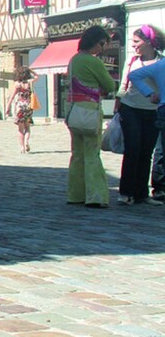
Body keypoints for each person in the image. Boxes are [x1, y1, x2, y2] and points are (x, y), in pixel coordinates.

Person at [65, 26, 117, 208]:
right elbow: (110, 85)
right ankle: (95, 196)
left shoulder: (74, 60)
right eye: (102, 44)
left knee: (77, 155)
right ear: (95, 42)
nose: (102, 48)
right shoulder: (93, 62)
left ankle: (75, 194)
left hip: (73, 110)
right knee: (92, 154)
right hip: (90, 111)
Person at [115, 24, 165, 205]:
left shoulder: (161, 61)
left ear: (149, 42)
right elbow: (123, 85)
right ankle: (126, 193)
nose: (133, 45)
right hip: (130, 109)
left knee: (146, 152)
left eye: (136, 41)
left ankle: (141, 194)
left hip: (153, 112)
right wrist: (118, 103)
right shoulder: (132, 61)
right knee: (132, 150)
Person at [4, 66, 39, 153]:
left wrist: (7, 108)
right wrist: (30, 70)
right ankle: (26, 142)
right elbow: (37, 76)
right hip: (28, 106)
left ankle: (22, 147)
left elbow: (12, 97)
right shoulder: (30, 82)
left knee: (20, 129)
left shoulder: (17, 84)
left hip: (20, 107)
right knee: (27, 127)